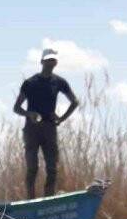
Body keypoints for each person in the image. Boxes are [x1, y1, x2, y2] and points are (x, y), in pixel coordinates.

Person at [13, 48, 79, 199]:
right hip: (32, 129)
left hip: (50, 128)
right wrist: (29, 114)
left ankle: (48, 199)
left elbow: (74, 101)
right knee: (32, 167)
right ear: (42, 62)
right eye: (48, 59)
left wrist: (62, 119)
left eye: (53, 59)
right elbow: (16, 107)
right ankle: (31, 200)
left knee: (52, 167)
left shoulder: (59, 82)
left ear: (56, 62)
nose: (51, 62)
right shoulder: (30, 83)